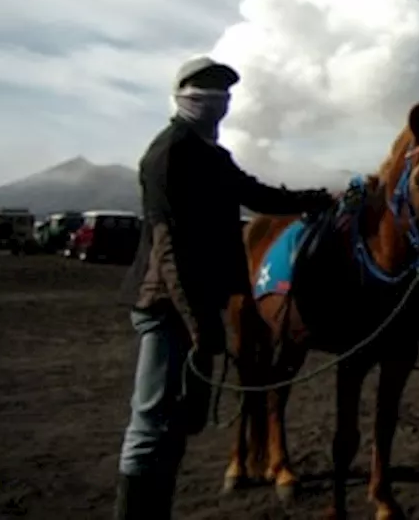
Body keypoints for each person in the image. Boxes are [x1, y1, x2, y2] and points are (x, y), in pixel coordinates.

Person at [113, 56, 335, 519]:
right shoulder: (167, 154)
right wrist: (200, 327)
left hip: (196, 306)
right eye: (205, 90)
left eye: (223, 91)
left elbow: (259, 196)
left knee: (178, 425)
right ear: (180, 95)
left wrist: (320, 198)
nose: (217, 100)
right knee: (149, 424)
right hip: (165, 306)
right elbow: (167, 248)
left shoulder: (211, 155)